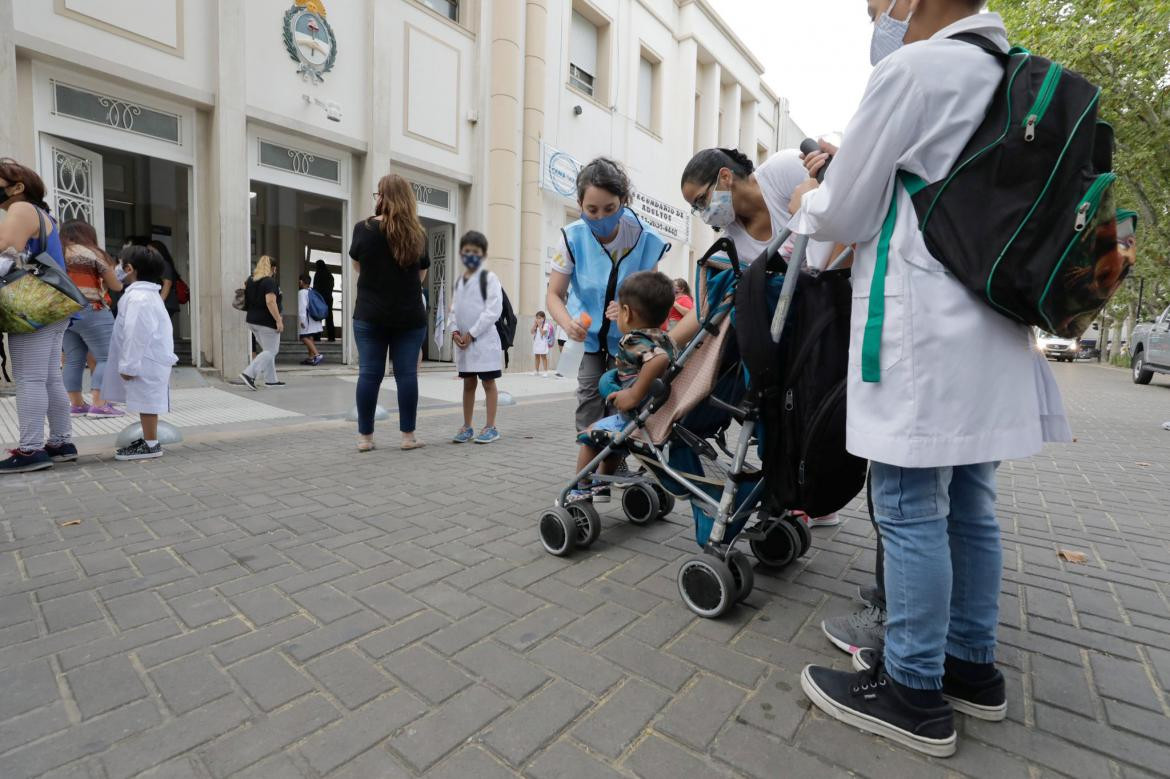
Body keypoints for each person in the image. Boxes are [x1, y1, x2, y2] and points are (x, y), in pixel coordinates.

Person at [785, 0, 1072, 757]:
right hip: (992, 328)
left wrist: (806, 200)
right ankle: (971, 668)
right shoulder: (1010, 75)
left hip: (921, 328)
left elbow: (846, 208)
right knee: (971, 500)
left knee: (910, 502)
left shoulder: (912, 71)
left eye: (878, 2)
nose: (875, 13)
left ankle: (912, 689)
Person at [678, 147, 845, 529]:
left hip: (824, 308)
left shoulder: (784, 170)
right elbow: (709, 305)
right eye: (696, 208)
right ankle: (791, 494)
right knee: (782, 409)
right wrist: (668, 340)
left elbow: (838, 216)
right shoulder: (732, 242)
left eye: (701, 200)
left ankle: (811, 496)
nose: (704, 214)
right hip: (781, 333)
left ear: (725, 177)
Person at [545, 158, 669, 438]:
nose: (601, 217)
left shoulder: (643, 237)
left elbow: (650, 294)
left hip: (626, 339)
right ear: (580, 204)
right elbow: (554, 294)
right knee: (589, 398)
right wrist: (567, 323)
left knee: (622, 400)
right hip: (586, 337)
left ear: (623, 201)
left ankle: (616, 463)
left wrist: (631, 309)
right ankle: (588, 470)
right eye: (592, 210)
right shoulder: (571, 238)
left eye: (610, 209)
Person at [570, 271, 676, 501]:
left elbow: (658, 359)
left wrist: (633, 395)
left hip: (636, 416)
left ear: (626, 313)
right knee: (614, 440)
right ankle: (601, 483)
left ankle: (580, 487)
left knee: (590, 435)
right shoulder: (666, 339)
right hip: (656, 416)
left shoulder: (633, 340)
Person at [0, 159, 77, 473]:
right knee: (48, 377)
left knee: (29, 378)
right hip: (54, 303)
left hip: (31, 304)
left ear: (18, 188)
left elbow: (5, 247)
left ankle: (31, 449)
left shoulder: (21, 210)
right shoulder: (44, 215)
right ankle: (60, 442)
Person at [350, 173, 429, 452]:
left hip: (370, 314)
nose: (377, 199)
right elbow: (421, 275)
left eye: (378, 194)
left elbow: (359, 267)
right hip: (409, 315)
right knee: (406, 375)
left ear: (383, 197)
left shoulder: (363, 229)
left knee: (369, 374)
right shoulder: (417, 234)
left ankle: (365, 438)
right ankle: (408, 437)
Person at [102, 245, 178, 461]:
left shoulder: (139, 298)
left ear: (129, 268)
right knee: (147, 402)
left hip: (145, 359)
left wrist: (128, 366)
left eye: (119, 264)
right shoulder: (144, 295)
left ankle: (151, 444)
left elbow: (136, 333)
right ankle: (149, 440)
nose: (116, 269)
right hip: (149, 358)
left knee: (147, 402)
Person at [59, 219, 124, 418]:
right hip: (91, 309)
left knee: (72, 360)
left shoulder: (58, 252)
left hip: (63, 312)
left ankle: (77, 405)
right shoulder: (92, 253)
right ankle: (99, 403)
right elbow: (116, 286)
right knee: (107, 357)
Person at [450, 230, 503, 444]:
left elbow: (493, 310)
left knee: (488, 383)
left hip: (483, 342)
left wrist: (472, 333)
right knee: (468, 384)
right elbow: (453, 309)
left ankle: (491, 426)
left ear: (483, 254)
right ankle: (467, 426)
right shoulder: (459, 281)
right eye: (466, 251)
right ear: (461, 253)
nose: (470, 255)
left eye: (475, 251)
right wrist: (454, 331)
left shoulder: (489, 278)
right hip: (464, 343)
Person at [238, 256, 283, 390]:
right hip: (266, 322)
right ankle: (249, 374)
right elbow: (270, 302)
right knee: (272, 350)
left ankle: (271, 380)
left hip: (252, 320)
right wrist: (278, 320)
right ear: (273, 268)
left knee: (267, 351)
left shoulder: (250, 280)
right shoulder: (269, 282)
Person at [148, 240, 182, 331]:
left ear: (159, 251)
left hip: (166, 303)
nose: (149, 254)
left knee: (160, 329)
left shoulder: (163, 264)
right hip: (166, 303)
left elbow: (167, 284)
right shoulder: (160, 264)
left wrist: (158, 303)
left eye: (152, 251)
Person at [297, 273, 325, 365]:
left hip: (307, 319)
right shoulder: (312, 291)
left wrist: (302, 319)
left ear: (301, 281)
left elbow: (302, 307)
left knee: (303, 337)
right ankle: (311, 358)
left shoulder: (302, 292)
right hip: (314, 318)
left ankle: (317, 355)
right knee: (310, 336)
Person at [313, 258, 336, 341]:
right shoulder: (330, 275)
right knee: (329, 317)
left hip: (320, 298)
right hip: (329, 298)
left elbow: (315, 287)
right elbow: (331, 287)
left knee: (318, 317)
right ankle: (331, 337)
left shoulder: (318, 274)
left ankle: (317, 337)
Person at [531, 311, 552, 376]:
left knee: (543, 356)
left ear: (544, 318)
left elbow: (543, 333)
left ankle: (545, 371)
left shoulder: (546, 325)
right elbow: (531, 332)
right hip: (536, 343)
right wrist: (535, 324)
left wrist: (540, 325)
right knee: (536, 356)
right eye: (537, 318)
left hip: (543, 343)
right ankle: (536, 371)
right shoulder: (536, 325)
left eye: (540, 318)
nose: (538, 319)